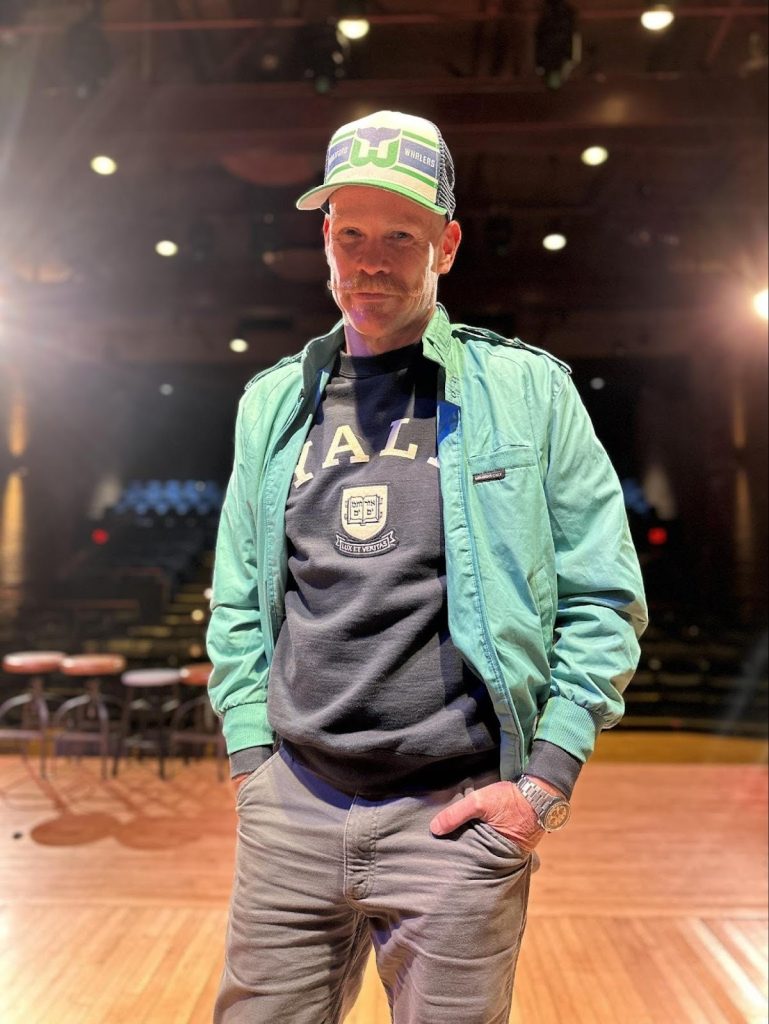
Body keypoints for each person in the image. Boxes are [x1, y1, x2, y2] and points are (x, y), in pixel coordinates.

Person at [206, 109, 647, 1024]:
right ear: (324, 238)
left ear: (444, 244)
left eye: (400, 235)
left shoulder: (528, 391)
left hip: (454, 818)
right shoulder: (268, 405)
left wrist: (543, 785)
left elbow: (604, 595)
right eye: (351, 232)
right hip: (292, 805)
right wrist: (252, 759)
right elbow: (240, 601)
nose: (371, 259)